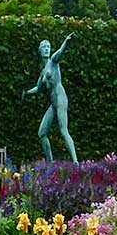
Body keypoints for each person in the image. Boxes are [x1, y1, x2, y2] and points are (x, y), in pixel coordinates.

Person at [23, 34, 77, 163]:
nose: (47, 49)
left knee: (64, 131)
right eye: (44, 47)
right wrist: (27, 93)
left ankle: (75, 162)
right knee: (42, 133)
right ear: (39, 50)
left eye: (48, 46)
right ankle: (50, 162)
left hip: (60, 98)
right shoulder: (43, 72)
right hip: (53, 103)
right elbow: (38, 88)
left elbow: (60, 52)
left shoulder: (53, 62)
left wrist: (66, 41)